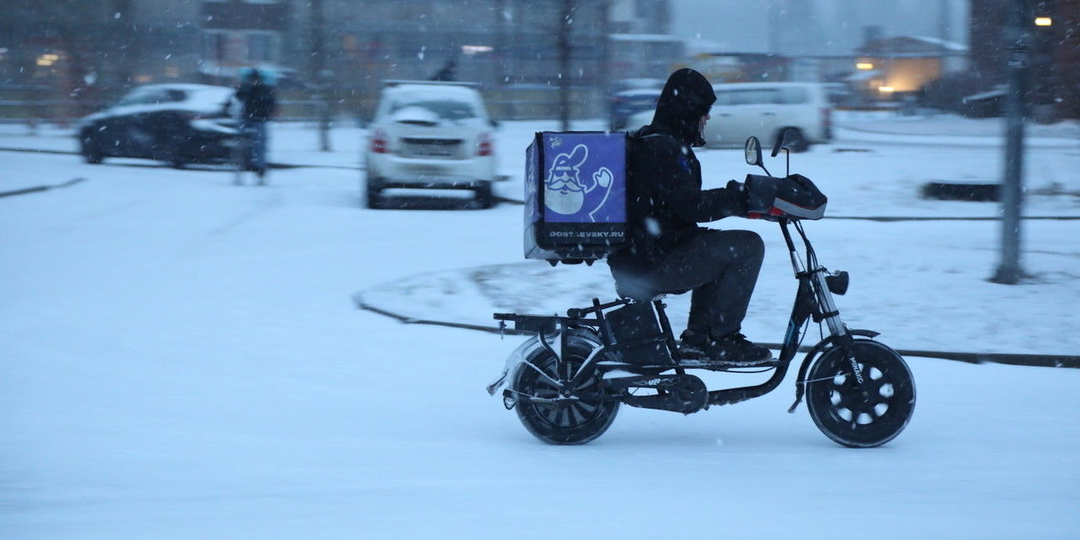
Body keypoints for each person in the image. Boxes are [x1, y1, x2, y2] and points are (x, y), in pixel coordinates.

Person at [607, 68, 772, 367]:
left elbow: (679, 207)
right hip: (650, 261)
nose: (707, 119)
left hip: (644, 256)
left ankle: (699, 340)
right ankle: (723, 340)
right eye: (704, 111)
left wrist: (739, 201)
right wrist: (741, 198)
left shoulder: (660, 143)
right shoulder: (662, 148)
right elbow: (690, 206)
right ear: (689, 109)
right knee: (746, 246)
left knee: (713, 244)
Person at [235, 68, 276, 182]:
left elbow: (270, 103)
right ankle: (250, 165)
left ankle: (258, 168)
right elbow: (239, 96)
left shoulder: (264, 89)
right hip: (251, 118)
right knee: (252, 143)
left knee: (258, 144)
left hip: (257, 119)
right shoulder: (249, 89)